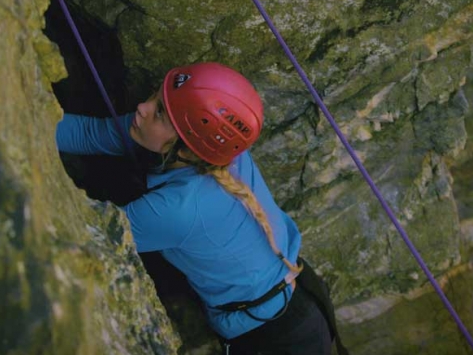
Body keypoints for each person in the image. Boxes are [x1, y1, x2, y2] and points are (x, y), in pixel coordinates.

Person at [56, 62, 346, 354]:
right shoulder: (216, 147)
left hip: (278, 337)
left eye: (159, 112)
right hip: (295, 298)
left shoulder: (177, 210)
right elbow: (91, 133)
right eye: (157, 98)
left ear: (185, 149)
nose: (142, 107)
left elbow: (90, 236)